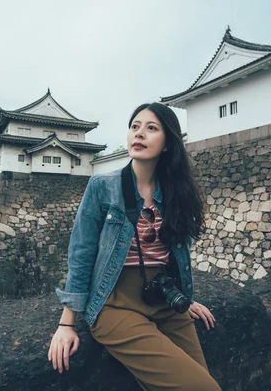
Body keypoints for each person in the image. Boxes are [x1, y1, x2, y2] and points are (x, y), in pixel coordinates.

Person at [48, 102, 221, 391]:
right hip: (115, 305)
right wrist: (67, 324)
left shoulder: (177, 190)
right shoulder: (103, 186)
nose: (139, 134)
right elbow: (81, 254)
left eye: (151, 128)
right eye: (134, 126)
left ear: (167, 143)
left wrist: (184, 297)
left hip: (165, 301)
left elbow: (177, 253)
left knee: (200, 380)